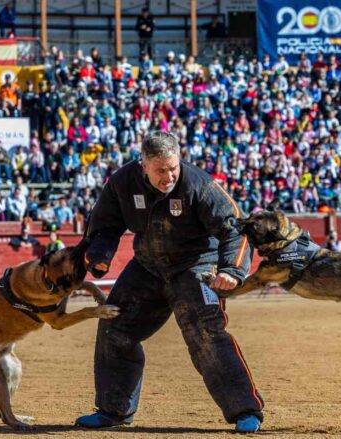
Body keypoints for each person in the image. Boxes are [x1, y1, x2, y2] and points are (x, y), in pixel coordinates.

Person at [75, 131, 264, 433]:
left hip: (195, 265)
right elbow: (105, 225)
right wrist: (99, 255)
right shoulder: (122, 183)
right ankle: (114, 411)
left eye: (173, 168)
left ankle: (245, 410)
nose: (169, 176)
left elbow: (235, 228)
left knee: (205, 334)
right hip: (148, 266)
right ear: (144, 165)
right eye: (161, 170)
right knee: (114, 325)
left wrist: (231, 270)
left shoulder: (199, 184)